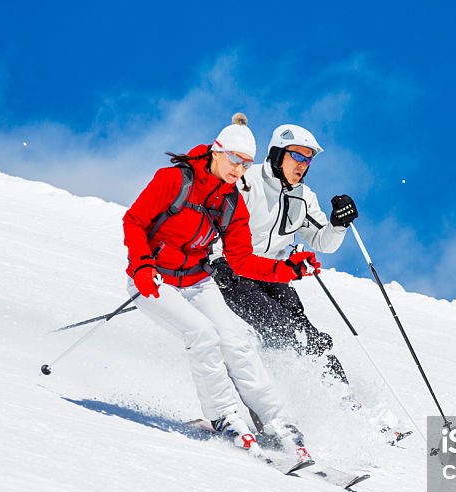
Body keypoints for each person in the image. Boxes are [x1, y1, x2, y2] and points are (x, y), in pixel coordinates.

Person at [122, 114, 322, 460]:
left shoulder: (231, 203)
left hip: (196, 280)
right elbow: (135, 220)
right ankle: (225, 415)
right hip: (153, 279)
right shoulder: (174, 180)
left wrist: (287, 269)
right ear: (216, 151)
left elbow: (242, 261)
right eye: (233, 159)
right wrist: (140, 265)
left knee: (238, 338)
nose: (238, 169)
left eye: (245, 164)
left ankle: (277, 420)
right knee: (203, 335)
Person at [210, 124, 358, 387]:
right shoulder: (246, 182)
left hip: (272, 273)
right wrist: (216, 258)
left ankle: (347, 404)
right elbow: (213, 221)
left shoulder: (303, 197)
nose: (303, 164)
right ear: (277, 155)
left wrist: (338, 224)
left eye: (308, 159)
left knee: (311, 338)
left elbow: (323, 241)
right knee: (278, 328)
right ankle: (267, 395)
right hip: (233, 269)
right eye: (297, 156)